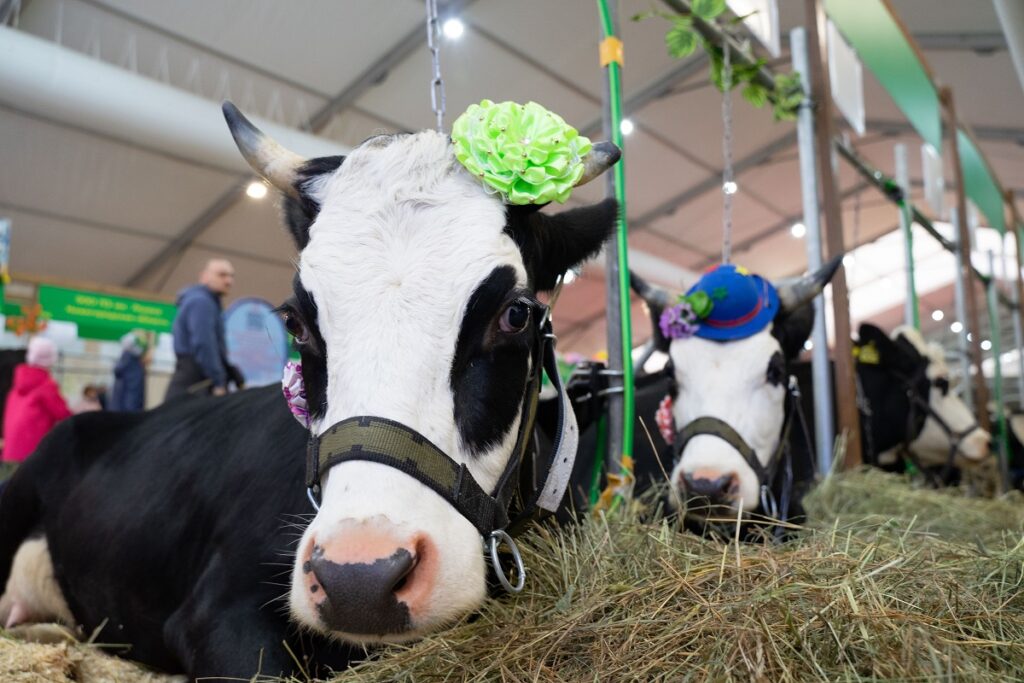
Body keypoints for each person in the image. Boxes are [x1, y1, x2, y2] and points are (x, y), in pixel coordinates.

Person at [164, 259, 245, 401]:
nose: (228, 281)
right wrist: (219, 381)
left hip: (195, 378)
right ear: (204, 276)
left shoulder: (206, 302)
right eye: (222, 275)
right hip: (197, 381)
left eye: (231, 276)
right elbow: (204, 343)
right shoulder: (202, 302)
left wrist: (228, 370)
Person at [2, 337, 71, 463]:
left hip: (9, 453)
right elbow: (64, 415)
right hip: (32, 457)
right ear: (51, 360)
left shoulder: (16, 386)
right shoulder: (46, 386)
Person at [110, 331, 147, 412]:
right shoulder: (135, 366)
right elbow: (133, 397)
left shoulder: (124, 361)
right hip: (128, 411)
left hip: (120, 410)